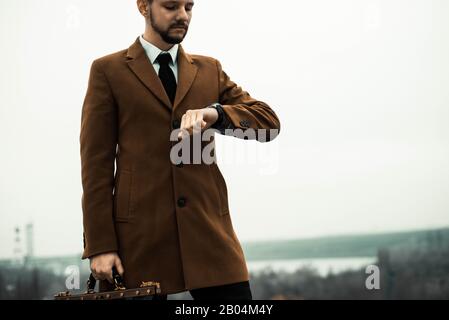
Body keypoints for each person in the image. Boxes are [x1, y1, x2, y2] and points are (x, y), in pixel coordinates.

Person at [80, 0, 280, 300]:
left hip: (210, 236)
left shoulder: (209, 69)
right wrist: (100, 245)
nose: (182, 16)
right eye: (172, 6)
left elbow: (268, 123)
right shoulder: (108, 71)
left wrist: (216, 115)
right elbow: (95, 167)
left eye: (189, 7)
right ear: (143, 7)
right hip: (139, 242)